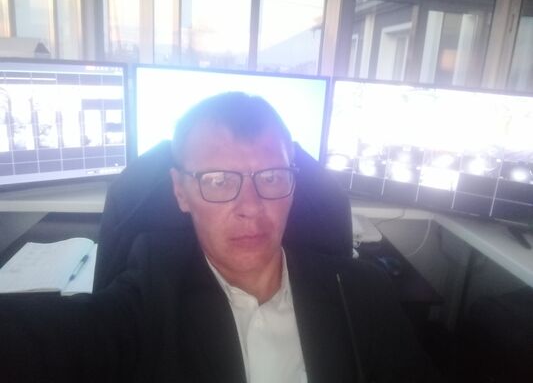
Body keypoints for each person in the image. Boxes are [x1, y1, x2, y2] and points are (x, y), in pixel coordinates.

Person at [0, 92, 441, 382]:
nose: (250, 205)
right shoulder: (152, 291)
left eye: (271, 176)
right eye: (217, 180)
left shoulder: (362, 294)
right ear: (181, 191)